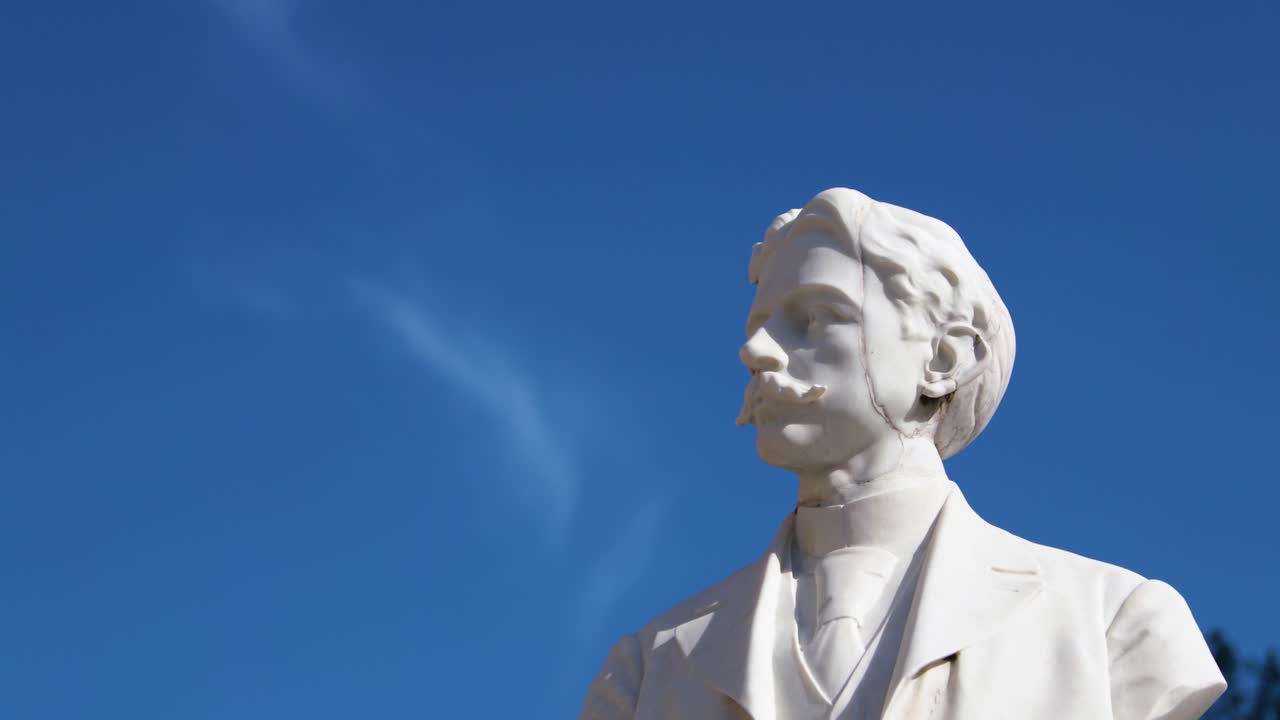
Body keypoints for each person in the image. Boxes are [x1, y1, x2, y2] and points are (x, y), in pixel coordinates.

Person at [580, 188, 1226, 720]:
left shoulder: (1117, 626)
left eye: (814, 317)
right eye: (759, 327)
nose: (759, 353)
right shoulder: (647, 669)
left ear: (944, 358)